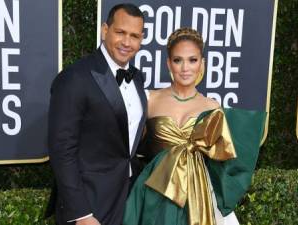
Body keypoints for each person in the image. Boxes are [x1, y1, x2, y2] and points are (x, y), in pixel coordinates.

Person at [123, 28, 266, 225]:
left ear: (201, 63)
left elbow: (223, 161)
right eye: (177, 60)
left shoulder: (213, 107)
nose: (185, 68)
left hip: (198, 198)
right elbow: (128, 146)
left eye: (192, 60)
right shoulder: (150, 99)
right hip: (155, 194)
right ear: (168, 63)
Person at [47, 4, 147, 225]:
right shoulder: (75, 78)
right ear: (105, 30)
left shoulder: (138, 79)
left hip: (130, 197)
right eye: (120, 32)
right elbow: (62, 150)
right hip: (90, 204)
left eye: (134, 36)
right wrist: (81, 214)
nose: (127, 42)